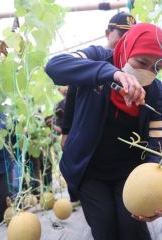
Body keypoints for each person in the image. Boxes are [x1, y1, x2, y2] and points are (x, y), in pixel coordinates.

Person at [45, 23, 162, 240]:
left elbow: (158, 143)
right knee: (104, 227)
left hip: (130, 172)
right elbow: (55, 67)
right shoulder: (97, 58)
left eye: (156, 68)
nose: (147, 72)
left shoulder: (156, 93)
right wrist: (112, 74)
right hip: (89, 169)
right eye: (141, 62)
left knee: (133, 229)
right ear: (129, 48)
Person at [60, 11, 136, 148]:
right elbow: (72, 94)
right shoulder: (93, 57)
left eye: (131, 36)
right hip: (86, 140)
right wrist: (66, 131)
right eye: (122, 35)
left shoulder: (131, 64)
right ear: (108, 33)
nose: (126, 40)